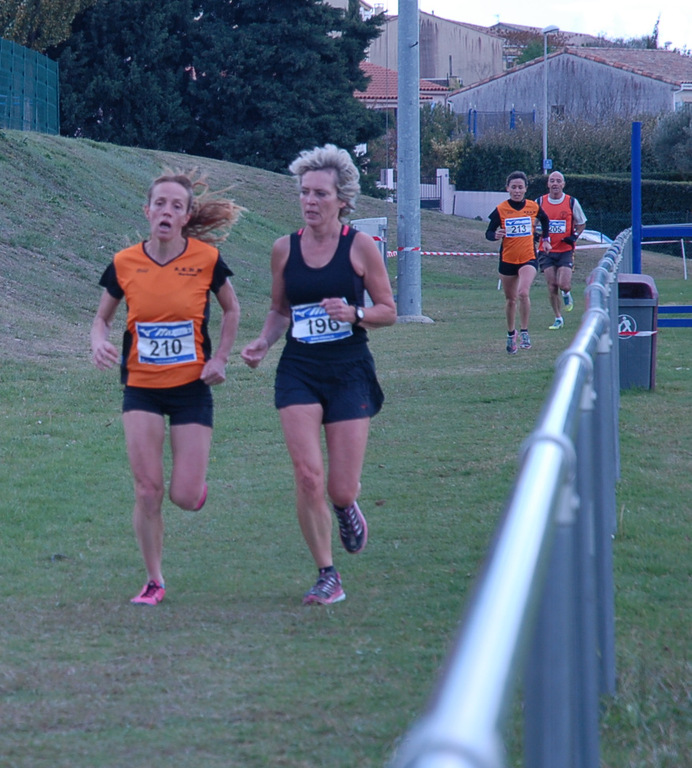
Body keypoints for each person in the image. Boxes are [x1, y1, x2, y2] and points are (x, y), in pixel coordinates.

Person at [241, 144, 396, 606]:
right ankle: (328, 574)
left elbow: (389, 310)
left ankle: (346, 506)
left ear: (342, 200)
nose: (310, 201)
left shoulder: (359, 247)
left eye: (320, 194)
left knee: (339, 488)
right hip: (299, 370)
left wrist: (354, 313)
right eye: (304, 192)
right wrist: (262, 342)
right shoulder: (283, 249)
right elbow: (279, 310)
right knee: (308, 476)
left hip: (349, 370)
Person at [90, 170, 242, 605]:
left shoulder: (207, 260)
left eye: (177, 206)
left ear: (187, 216)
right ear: (147, 210)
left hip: (192, 387)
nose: (167, 211)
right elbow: (102, 318)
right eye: (160, 203)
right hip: (142, 388)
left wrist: (220, 359)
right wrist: (98, 342)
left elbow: (232, 310)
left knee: (184, 496)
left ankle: (195, 490)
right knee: (147, 490)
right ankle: (154, 579)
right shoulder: (124, 263)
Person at [486, 171, 551, 354]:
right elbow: (488, 232)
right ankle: (510, 333)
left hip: (528, 257)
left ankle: (524, 332)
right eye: (513, 187)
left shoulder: (533, 207)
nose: (517, 191)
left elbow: (545, 220)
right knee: (511, 299)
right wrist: (495, 235)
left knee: (523, 292)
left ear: (525, 189)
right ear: (507, 188)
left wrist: (546, 239)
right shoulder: (501, 209)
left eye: (520, 187)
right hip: (507, 259)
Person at [536, 171, 588, 329]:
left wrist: (574, 236)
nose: (555, 184)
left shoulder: (571, 202)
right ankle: (558, 318)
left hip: (565, 249)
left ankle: (566, 293)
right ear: (548, 184)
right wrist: (535, 234)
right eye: (552, 180)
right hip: (546, 250)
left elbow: (582, 223)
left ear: (563, 184)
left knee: (563, 284)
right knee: (552, 285)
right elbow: (532, 222)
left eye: (558, 181)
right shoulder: (540, 202)